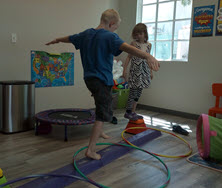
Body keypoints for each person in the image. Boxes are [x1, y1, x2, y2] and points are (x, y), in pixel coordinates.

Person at [46, 9, 160, 160]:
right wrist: (147, 55)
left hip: (90, 79)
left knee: (101, 104)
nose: (115, 30)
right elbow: (128, 48)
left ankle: (99, 131)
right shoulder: (110, 36)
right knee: (102, 112)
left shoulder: (86, 34)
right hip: (101, 80)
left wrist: (57, 40)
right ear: (112, 23)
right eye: (116, 27)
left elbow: (69, 38)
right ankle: (91, 150)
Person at [122, 23, 153, 121]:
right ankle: (128, 112)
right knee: (133, 91)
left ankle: (133, 112)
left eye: (140, 33)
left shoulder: (149, 45)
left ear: (144, 33)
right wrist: (124, 70)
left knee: (139, 92)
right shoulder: (133, 44)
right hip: (135, 71)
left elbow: (149, 59)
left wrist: (151, 71)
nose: (138, 36)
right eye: (136, 34)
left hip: (144, 71)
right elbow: (129, 57)